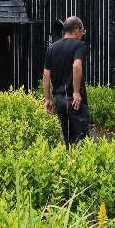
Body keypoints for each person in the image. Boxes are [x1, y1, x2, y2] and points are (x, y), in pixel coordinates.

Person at [43, 16, 91, 146]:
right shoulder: (80, 45)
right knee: (82, 141)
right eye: (82, 31)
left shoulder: (51, 48)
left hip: (59, 100)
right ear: (77, 30)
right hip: (74, 101)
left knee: (68, 139)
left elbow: (46, 75)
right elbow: (76, 65)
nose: (82, 35)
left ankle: (69, 163)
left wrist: (47, 99)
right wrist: (76, 92)